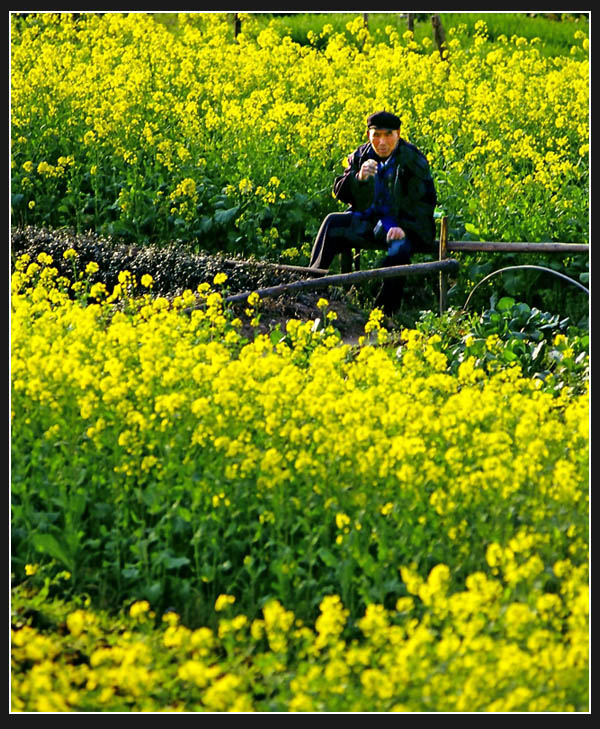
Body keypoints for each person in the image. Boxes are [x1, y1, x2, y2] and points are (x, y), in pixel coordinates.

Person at [308, 110, 437, 314]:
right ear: (368, 135)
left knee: (399, 248)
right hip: (370, 224)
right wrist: (358, 178)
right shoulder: (361, 155)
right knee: (333, 222)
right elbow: (340, 191)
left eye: (388, 135)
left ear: (398, 134)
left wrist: (404, 227)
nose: (382, 142)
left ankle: (384, 313)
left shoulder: (412, 160)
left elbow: (425, 203)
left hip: (404, 226)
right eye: (376, 135)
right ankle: (310, 286)